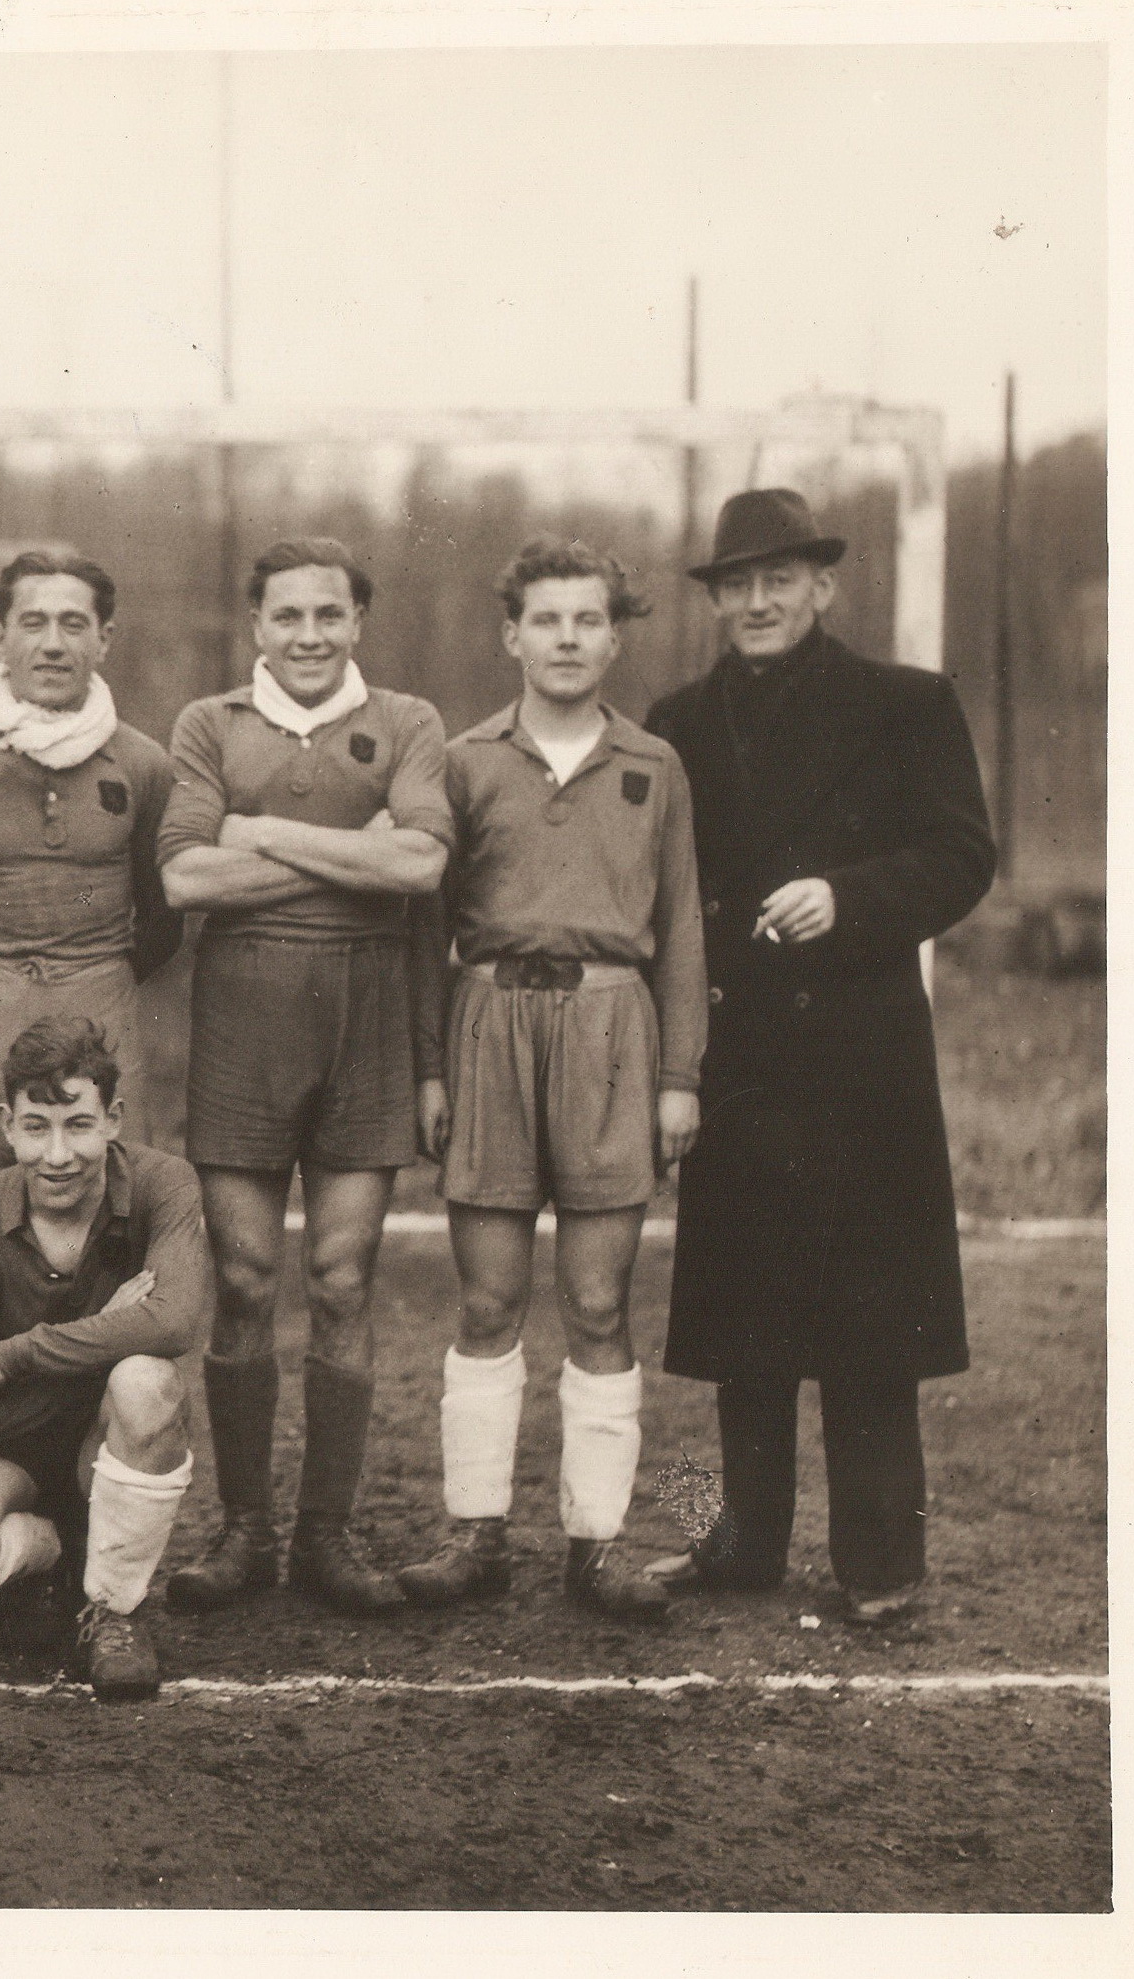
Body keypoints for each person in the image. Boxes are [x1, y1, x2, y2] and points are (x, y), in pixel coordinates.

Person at [641, 489, 996, 1626]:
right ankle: (736, 1543)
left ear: (821, 587)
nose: (755, 602)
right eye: (734, 585)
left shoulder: (904, 701)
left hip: (861, 1056)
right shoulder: (675, 718)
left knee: (867, 1319)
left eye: (777, 580)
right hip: (736, 1049)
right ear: (711, 599)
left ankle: (881, 1565)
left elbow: (960, 854)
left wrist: (843, 896)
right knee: (740, 1321)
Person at [394, 538, 705, 1620]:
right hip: (486, 1024)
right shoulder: (464, 758)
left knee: (595, 1296)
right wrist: (428, 1068)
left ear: (613, 636)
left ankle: (596, 1541)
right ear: (510, 634)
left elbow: (678, 934)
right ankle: (473, 1533)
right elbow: (421, 930)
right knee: (484, 1298)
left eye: (587, 620)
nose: (566, 638)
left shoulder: (653, 765)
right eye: (546, 619)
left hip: (611, 1029)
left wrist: (678, 1075)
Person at [156, 539, 453, 1618]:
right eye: (288, 616)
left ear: (357, 621)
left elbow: (420, 862)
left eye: (329, 613)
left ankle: (326, 1533)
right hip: (241, 1020)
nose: (309, 634)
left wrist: (263, 834)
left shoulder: (408, 722)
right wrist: (347, 849)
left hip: (366, 1017)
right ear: (256, 626)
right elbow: (186, 873)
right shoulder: (208, 724)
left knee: (338, 1276)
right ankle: (244, 1531)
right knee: (240, 1279)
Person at [0, 1020, 206, 1699]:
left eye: (79, 1125)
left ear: (114, 1118)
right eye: (37, 1128)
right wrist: (111, 1329)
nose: (59, 1153)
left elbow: (178, 1321)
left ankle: (115, 1611)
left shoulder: (163, 1184)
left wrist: (12, 1358)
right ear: (7, 1125)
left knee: (148, 1382)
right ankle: (54, 1547)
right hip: (8, 1452)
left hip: (105, 1436)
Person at [0, 550, 181, 1206]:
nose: (53, 644)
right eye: (33, 622)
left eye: (73, 624)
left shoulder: (144, 766)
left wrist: (93, 974)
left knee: (104, 1213)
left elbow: (162, 917)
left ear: (104, 639)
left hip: (99, 1009)